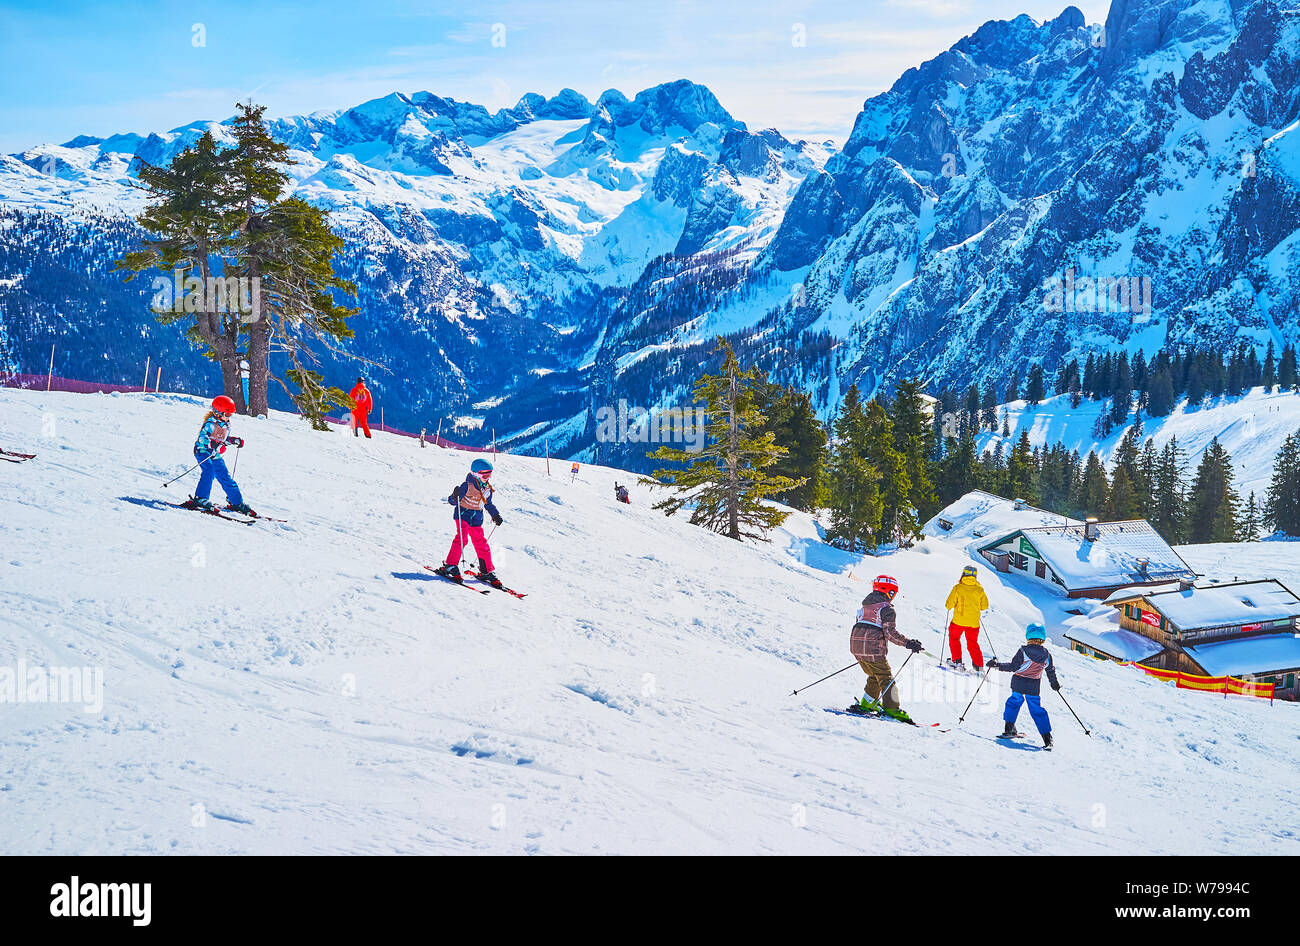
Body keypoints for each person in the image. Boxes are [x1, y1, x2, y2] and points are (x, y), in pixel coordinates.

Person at [847, 575, 924, 722]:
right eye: (893, 593)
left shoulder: (863, 607)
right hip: (873, 648)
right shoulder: (886, 609)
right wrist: (908, 643)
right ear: (889, 592)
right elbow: (890, 633)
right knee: (886, 678)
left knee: (874, 675)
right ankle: (892, 708)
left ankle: (867, 703)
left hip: (856, 647)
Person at [986, 623, 1060, 749]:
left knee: (1013, 703)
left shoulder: (1023, 651)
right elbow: (1050, 671)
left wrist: (996, 665)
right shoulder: (1047, 655)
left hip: (1018, 682)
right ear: (1043, 638)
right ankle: (1047, 739)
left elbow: (1013, 667)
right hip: (1033, 685)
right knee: (1037, 710)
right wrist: (1054, 683)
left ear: (1028, 636)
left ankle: (1009, 730)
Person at [182, 395, 254, 515]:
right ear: (217, 412)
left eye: (231, 415)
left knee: (224, 476)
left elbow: (223, 440)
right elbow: (203, 440)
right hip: (202, 452)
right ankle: (200, 498)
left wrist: (233, 441)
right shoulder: (210, 424)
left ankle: (236, 502)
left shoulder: (226, 424)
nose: (229, 417)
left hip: (214, 454)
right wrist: (214, 445)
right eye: (227, 415)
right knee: (209, 471)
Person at [436, 458, 503, 585]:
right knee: (462, 538)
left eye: (490, 474)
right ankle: (450, 565)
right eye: (485, 475)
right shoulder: (467, 485)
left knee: (481, 542)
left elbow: (488, 504)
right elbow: (452, 501)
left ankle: (486, 571)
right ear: (476, 474)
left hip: (477, 518)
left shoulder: (487, 488)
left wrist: (496, 515)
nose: (488, 478)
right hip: (463, 515)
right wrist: (454, 496)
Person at [944, 564, 989, 671]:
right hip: (974, 623)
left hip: (958, 622)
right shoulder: (979, 589)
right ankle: (978, 666)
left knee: (954, 639)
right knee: (972, 643)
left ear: (963, 574)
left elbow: (948, 605)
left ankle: (957, 662)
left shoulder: (957, 588)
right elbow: (984, 606)